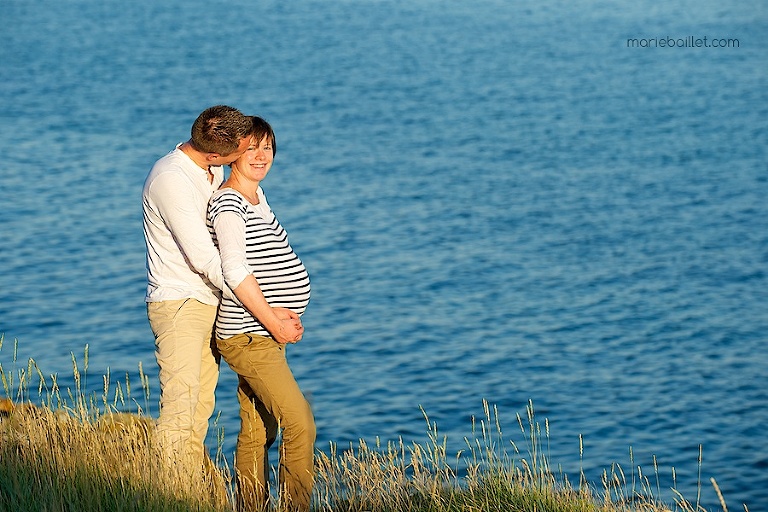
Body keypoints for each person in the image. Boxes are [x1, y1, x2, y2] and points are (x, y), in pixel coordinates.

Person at [207, 116, 315, 511]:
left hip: (264, 334)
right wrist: (273, 319)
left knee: (258, 428)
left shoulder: (256, 196)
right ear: (233, 153)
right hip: (249, 336)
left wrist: (284, 316)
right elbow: (234, 270)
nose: (261, 156)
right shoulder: (229, 205)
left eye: (267, 147)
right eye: (251, 148)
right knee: (300, 423)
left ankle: (251, 506)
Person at [142, 105, 253, 473]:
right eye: (237, 156)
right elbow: (206, 258)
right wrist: (257, 303)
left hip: (207, 299)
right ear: (212, 153)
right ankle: (165, 495)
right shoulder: (171, 179)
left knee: (199, 411)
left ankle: (188, 492)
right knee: (179, 410)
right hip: (180, 304)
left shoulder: (209, 167)